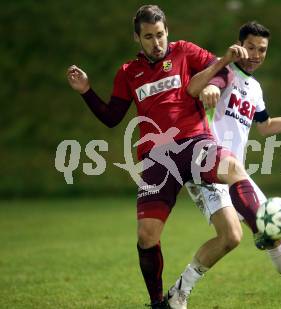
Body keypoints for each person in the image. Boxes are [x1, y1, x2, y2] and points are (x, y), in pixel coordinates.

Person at [66, 5, 265, 309]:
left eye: (160, 35)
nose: (156, 42)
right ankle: (158, 302)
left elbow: (224, 70)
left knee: (234, 168)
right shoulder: (127, 73)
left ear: (167, 31)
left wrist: (212, 84)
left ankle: (261, 228)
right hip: (157, 158)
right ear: (137, 38)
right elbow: (111, 117)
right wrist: (86, 91)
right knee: (146, 236)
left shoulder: (185, 51)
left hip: (195, 142)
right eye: (148, 37)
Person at [167, 22, 281, 309]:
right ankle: (180, 292)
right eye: (251, 47)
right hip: (206, 167)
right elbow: (207, 86)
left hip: (236, 174)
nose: (256, 54)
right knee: (231, 236)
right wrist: (208, 90)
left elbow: (265, 126)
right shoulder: (222, 71)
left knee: (274, 236)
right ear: (239, 44)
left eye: (262, 50)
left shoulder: (254, 88)